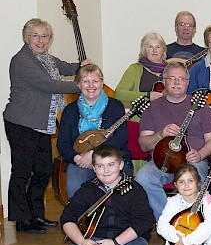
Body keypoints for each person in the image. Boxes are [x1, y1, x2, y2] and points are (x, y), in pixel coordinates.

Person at [4, 18, 90, 233]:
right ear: (26, 38)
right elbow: (48, 85)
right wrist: (85, 86)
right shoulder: (22, 60)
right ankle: (22, 220)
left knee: (42, 171)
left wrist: (82, 66)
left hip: (42, 124)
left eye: (44, 36)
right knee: (22, 173)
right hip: (22, 123)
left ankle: (36, 215)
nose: (40, 40)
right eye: (35, 36)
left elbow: (66, 67)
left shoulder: (47, 59)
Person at [136, 62, 211, 220]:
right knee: (142, 178)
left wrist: (200, 155)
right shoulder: (152, 108)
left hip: (192, 161)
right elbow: (144, 145)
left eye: (181, 78)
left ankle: (192, 221)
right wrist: (160, 134)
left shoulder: (201, 107)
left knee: (194, 179)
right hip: (161, 162)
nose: (177, 82)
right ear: (164, 81)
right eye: (172, 78)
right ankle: (169, 221)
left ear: (188, 82)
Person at [57, 64, 133, 199]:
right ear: (78, 85)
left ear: (102, 83)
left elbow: (120, 138)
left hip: (111, 159)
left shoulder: (115, 106)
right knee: (75, 181)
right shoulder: (70, 110)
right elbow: (62, 143)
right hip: (80, 161)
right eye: (86, 81)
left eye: (95, 81)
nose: (91, 85)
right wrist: (77, 158)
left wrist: (93, 154)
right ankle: (81, 219)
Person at [115, 31, 168, 103]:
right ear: (144, 50)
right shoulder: (134, 69)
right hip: (142, 114)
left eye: (158, 47)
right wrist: (146, 96)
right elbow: (118, 94)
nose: (154, 50)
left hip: (166, 113)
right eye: (150, 47)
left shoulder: (170, 70)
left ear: (163, 50)